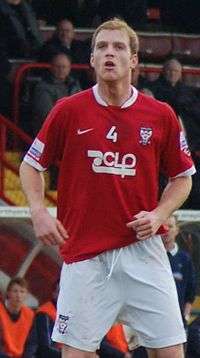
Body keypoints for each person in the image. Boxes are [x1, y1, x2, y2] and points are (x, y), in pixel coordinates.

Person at [19, 18, 195, 358]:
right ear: (93, 60)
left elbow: (183, 177)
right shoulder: (68, 110)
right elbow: (31, 165)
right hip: (86, 254)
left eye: (118, 47)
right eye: (101, 47)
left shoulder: (160, 115)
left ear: (134, 61)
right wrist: (38, 212)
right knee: (76, 354)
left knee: (171, 353)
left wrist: (159, 212)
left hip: (143, 251)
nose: (109, 53)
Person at [31, 52, 81, 136]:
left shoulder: (75, 85)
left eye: (64, 67)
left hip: (74, 128)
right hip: (51, 132)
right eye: (58, 67)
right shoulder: (43, 87)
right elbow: (47, 114)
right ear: (51, 67)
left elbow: (83, 107)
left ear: (69, 68)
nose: (61, 70)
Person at [164, 215, 196, 327]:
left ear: (177, 230)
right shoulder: (151, 257)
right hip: (153, 320)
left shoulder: (185, 259)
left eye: (170, 226)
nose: (166, 230)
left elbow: (191, 292)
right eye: (163, 227)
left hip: (177, 322)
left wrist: (185, 316)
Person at [23, 280, 61, 358]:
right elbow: (44, 348)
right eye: (59, 292)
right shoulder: (44, 314)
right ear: (54, 294)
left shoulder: (64, 314)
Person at [0, 277, 34, 358]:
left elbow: (31, 342)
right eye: (15, 291)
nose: (18, 295)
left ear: (26, 295)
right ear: (8, 293)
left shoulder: (29, 314)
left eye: (22, 292)